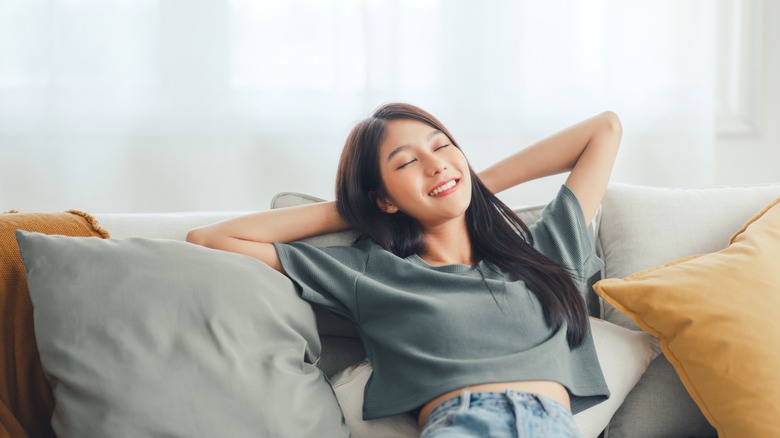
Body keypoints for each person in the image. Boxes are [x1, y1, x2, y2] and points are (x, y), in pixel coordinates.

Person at [187, 103, 622, 437]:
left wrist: (470, 180)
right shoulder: (370, 273)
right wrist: (357, 210)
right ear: (384, 198)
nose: (433, 164)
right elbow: (210, 240)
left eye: (441, 146)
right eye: (406, 163)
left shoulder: (545, 247)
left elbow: (604, 129)